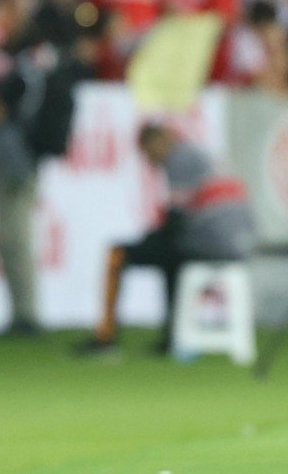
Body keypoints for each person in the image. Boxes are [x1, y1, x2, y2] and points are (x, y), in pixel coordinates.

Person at [0, 0, 94, 335]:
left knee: (14, 236)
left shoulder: (23, 60)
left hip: (15, 156)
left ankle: (25, 314)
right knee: (15, 235)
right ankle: (22, 311)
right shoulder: (38, 57)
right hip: (26, 153)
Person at [79, 121, 255, 356]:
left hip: (212, 240)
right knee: (172, 259)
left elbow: (176, 220)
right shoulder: (202, 154)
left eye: (147, 152)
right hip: (241, 242)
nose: (149, 161)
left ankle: (106, 337)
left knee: (119, 253)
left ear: (158, 142)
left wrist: (146, 241)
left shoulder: (179, 159)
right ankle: (175, 335)